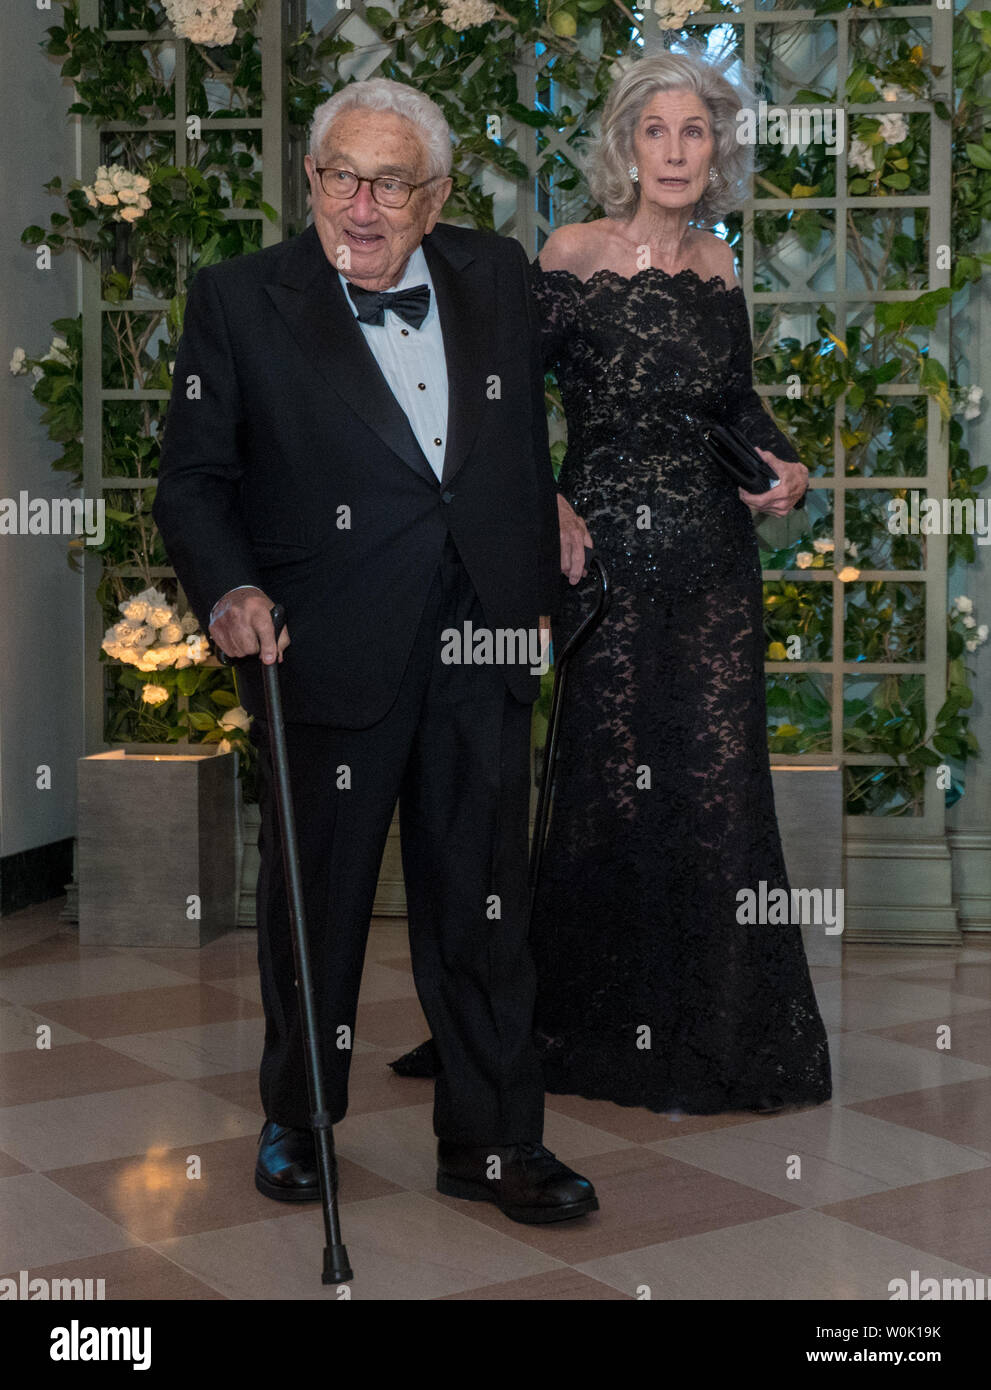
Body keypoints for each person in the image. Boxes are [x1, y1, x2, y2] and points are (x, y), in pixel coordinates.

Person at [152, 77, 598, 1225]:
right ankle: (300, 1116)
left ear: (434, 195)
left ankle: (493, 1140)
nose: (359, 205)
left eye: (389, 183)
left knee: (485, 904)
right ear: (308, 179)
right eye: (338, 176)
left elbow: (531, 418)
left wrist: (545, 504)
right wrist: (232, 586)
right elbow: (195, 481)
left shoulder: (495, 274)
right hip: (323, 643)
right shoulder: (239, 301)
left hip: (482, 630)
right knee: (320, 901)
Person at [392, 47, 832, 1116]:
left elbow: (736, 413)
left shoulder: (720, 265)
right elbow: (497, 398)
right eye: (656, 131)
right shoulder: (572, 252)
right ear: (625, 144)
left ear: (715, 148)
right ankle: (586, 1025)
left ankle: (721, 1027)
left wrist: (786, 473)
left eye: (695, 132)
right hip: (610, 561)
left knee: (721, 790)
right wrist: (545, 502)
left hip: (713, 564)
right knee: (609, 789)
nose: (677, 151)